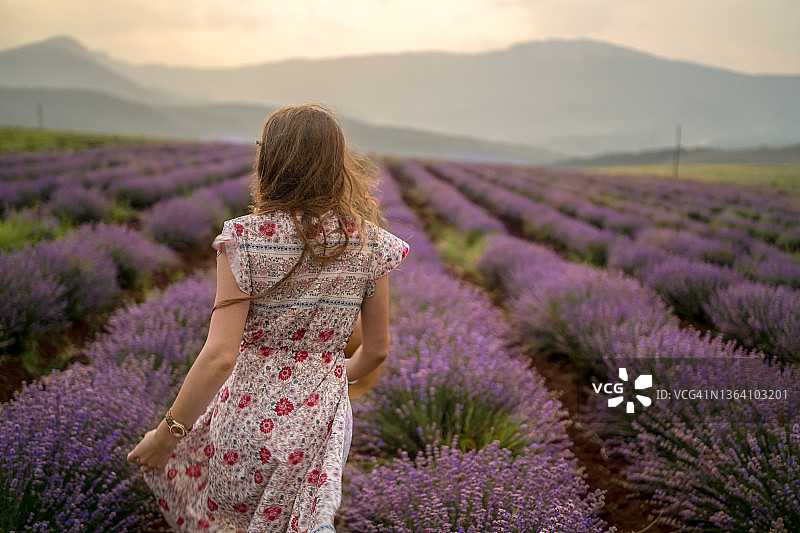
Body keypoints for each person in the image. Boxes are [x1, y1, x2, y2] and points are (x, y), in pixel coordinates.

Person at [126, 104, 409, 532]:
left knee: (230, 524)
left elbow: (220, 356)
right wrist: (330, 375)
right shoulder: (371, 244)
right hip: (316, 425)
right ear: (337, 163)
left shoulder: (243, 239)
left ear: (270, 160)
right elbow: (377, 350)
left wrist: (166, 437)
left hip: (242, 420)